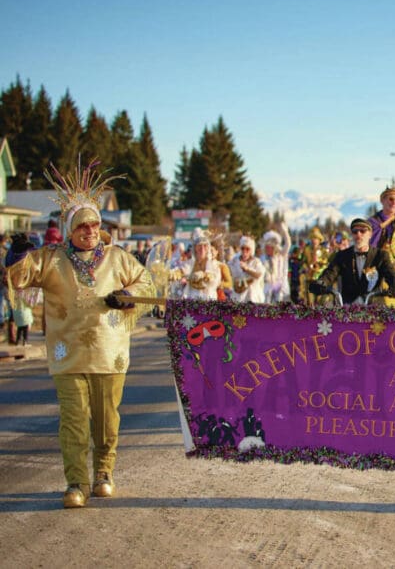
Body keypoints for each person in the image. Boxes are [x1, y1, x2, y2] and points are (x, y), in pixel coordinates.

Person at [5, 160, 155, 509]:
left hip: (110, 352)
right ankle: (76, 481)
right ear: (71, 229)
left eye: (94, 224)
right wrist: (16, 253)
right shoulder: (52, 259)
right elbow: (19, 277)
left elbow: (145, 282)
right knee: (73, 419)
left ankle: (103, 472)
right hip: (67, 354)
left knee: (106, 419)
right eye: (82, 225)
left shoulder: (118, 258)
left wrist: (128, 298)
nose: (89, 230)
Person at [309, 218, 395, 305]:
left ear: (370, 234)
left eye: (363, 231)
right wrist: (321, 282)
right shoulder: (342, 255)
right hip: (348, 308)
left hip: (374, 306)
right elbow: (330, 273)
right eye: (355, 231)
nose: (358, 234)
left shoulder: (381, 255)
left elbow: (391, 274)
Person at [180, 229, 231, 301]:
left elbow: (216, 281)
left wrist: (203, 275)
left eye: (205, 246)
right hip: (191, 303)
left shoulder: (216, 265)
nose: (202, 249)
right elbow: (180, 272)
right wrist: (175, 275)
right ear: (195, 248)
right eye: (199, 246)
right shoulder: (189, 263)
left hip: (209, 302)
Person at [259, 223, 292, 304]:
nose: (267, 249)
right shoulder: (262, 258)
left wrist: (285, 233)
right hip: (266, 286)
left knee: (278, 306)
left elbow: (288, 245)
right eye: (266, 247)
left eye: (269, 247)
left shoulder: (280, 255)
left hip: (278, 285)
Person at [228, 236, 265, 303]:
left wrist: (247, 269)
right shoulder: (234, 261)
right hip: (238, 295)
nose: (245, 251)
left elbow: (259, 275)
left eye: (247, 249)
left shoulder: (256, 261)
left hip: (252, 295)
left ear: (251, 250)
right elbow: (228, 272)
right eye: (242, 248)